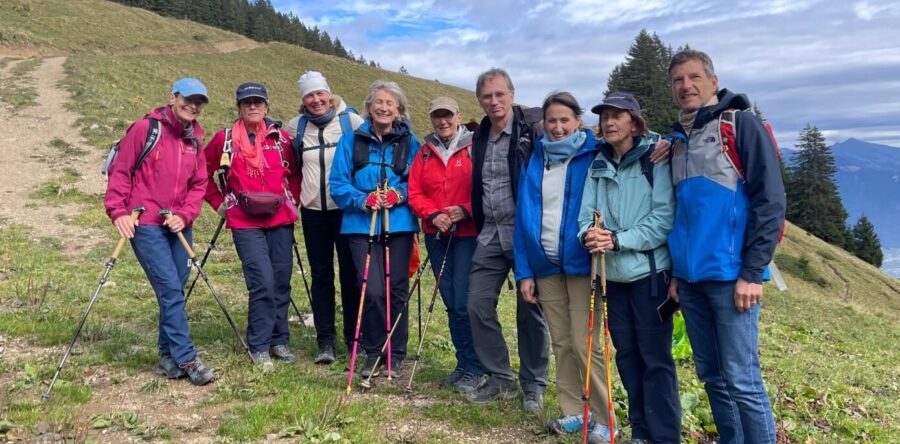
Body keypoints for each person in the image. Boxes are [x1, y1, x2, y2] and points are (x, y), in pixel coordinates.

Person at [666, 49, 785, 443]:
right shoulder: (679, 141)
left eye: (695, 77)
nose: (687, 86)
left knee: (743, 380)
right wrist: (677, 276)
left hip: (733, 277)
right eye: (679, 80)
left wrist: (753, 273)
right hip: (691, 279)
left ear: (713, 82)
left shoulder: (740, 125)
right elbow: (682, 214)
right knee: (712, 376)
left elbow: (771, 201)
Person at [579, 91, 681, 444]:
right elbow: (585, 214)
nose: (608, 122)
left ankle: (665, 437)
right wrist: (588, 235)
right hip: (612, 278)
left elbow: (663, 218)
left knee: (655, 360)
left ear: (634, 123)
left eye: (617, 116)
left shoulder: (656, 158)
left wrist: (617, 240)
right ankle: (641, 431)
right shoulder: (598, 162)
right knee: (627, 357)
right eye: (605, 116)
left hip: (650, 275)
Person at [512, 92, 614, 441]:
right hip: (544, 265)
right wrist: (524, 271)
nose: (557, 127)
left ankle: (603, 417)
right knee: (561, 342)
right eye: (551, 121)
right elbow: (524, 217)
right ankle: (574, 411)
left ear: (577, 121)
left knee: (586, 343)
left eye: (564, 120)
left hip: (581, 263)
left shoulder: (593, 153)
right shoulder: (536, 158)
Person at [104, 77, 213, 385]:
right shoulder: (145, 129)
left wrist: (186, 214)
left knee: (174, 290)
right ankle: (188, 357)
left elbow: (199, 185)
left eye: (199, 102)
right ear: (172, 97)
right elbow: (121, 171)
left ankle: (167, 357)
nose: (193, 105)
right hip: (146, 223)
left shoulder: (195, 141)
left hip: (177, 225)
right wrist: (118, 211)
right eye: (188, 99)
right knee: (169, 288)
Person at [466, 68, 550, 412]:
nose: (494, 101)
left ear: (512, 95)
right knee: (477, 302)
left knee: (531, 310)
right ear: (480, 101)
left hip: (525, 233)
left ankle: (534, 384)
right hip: (489, 232)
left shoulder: (534, 130)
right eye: (487, 96)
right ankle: (500, 377)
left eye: (500, 94)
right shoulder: (480, 135)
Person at [203, 82, 300, 371]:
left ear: (267, 106)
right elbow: (201, 173)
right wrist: (218, 203)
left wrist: (291, 199)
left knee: (281, 280)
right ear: (239, 108)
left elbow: (293, 173)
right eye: (247, 103)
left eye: (258, 102)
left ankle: (279, 339)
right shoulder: (225, 140)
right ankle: (258, 345)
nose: (253, 107)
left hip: (280, 219)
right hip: (244, 222)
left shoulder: (281, 139)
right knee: (262, 282)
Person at [330, 80, 421, 378]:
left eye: (390, 103)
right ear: (369, 106)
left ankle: (396, 352)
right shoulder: (351, 140)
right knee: (370, 289)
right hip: (360, 224)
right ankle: (373, 350)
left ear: (399, 110)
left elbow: (419, 180)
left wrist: (400, 194)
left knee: (395, 288)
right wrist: (363, 198)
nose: (384, 108)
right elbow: (338, 184)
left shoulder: (411, 142)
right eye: (378, 102)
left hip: (399, 225)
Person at [285, 71, 364, 364]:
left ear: (329, 94)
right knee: (321, 277)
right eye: (309, 95)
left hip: (346, 211)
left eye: (320, 94)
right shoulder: (296, 127)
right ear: (303, 100)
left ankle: (353, 338)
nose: (316, 100)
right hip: (313, 212)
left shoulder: (351, 122)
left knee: (351, 276)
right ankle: (325, 342)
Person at [407, 96, 483, 393]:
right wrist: (433, 214)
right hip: (436, 234)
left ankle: (477, 366)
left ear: (458, 116)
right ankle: (463, 363)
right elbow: (414, 192)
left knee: (464, 300)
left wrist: (465, 209)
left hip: (468, 235)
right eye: (437, 116)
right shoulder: (425, 152)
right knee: (450, 300)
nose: (443, 121)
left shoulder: (476, 146)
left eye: (447, 115)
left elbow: (485, 188)